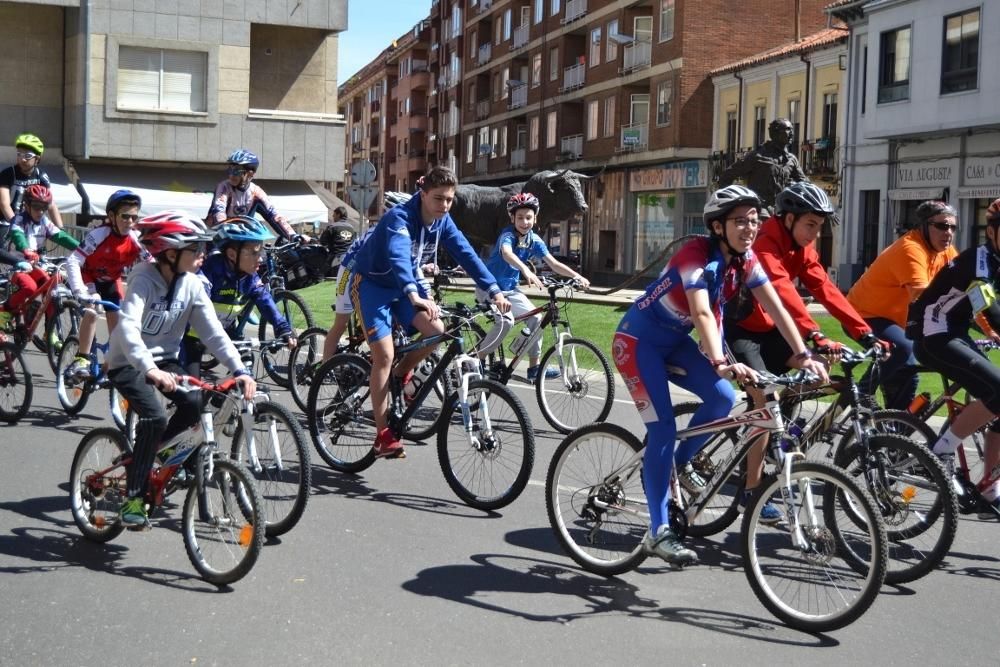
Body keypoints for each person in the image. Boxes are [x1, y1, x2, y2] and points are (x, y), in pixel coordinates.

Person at [612, 184, 829, 564]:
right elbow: (701, 314)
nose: (750, 228)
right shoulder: (693, 257)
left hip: (674, 341)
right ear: (717, 226)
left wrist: (803, 353)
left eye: (754, 221)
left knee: (723, 398)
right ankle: (658, 531)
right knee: (662, 428)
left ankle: (676, 467)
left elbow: (777, 308)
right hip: (637, 342)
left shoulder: (744, 261)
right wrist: (719, 362)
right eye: (740, 221)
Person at [724, 181, 888, 520]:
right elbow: (784, 293)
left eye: (820, 226)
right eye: (810, 224)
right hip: (740, 330)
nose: (815, 233)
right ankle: (752, 490)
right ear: (788, 219)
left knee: (819, 371)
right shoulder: (765, 243)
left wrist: (864, 333)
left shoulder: (803, 247)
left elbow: (825, 288)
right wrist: (814, 334)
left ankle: (775, 430)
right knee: (764, 402)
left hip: (772, 330)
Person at [349, 166, 511, 459]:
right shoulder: (399, 218)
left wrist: (494, 290)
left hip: (402, 288)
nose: (444, 205)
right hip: (372, 284)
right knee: (383, 355)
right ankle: (383, 436)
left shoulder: (442, 221)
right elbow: (399, 257)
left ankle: (400, 375)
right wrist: (415, 295)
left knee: (437, 332)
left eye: (449, 199)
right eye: (438, 199)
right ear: (422, 194)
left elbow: (467, 254)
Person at [107, 211, 255, 528]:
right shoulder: (143, 278)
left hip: (165, 361)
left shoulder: (192, 285)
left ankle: (155, 457)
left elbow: (213, 332)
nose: (203, 256)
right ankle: (133, 497)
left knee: (194, 404)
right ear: (171, 253)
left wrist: (239, 369)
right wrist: (149, 368)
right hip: (128, 363)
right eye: (195, 250)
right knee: (155, 416)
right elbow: (128, 329)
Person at [907, 199, 1000, 518]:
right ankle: (940, 451)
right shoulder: (981, 262)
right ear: (991, 231)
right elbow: (989, 306)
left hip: (956, 331)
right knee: (998, 390)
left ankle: (989, 485)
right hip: (934, 334)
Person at [847, 200, 959, 410]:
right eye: (942, 226)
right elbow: (922, 297)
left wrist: (989, 328)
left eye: (953, 227)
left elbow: (968, 287)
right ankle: (862, 394)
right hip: (862, 314)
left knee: (908, 377)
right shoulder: (910, 249)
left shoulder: (947, 251)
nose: (949, 233)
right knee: (902, 349)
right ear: (924, 226)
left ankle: (894, 434)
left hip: (896, 322)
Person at [477, 192, 591, 381]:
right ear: (512, 218)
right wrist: (525, 270)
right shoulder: (508, 236)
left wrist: (577, 275)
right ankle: (476, 359)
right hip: (489, 288)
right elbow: (506, 254)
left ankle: (534, 368)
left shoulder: (534, 240)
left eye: (528, 217)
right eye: (520, 217)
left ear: (535, 218)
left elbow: (554, 264)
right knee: (506, 321)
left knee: (537, 319)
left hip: (510, 291)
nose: (524, 222)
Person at [182, 216, 296, 376]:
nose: (261, 258)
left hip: (224, 333)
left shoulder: (249, 277)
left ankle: (224, 400)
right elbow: (200, 306)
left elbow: (265, 301)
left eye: (261, 251)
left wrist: (283, 328)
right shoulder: (210, 271)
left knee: (245, 369)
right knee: (191, 398)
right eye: (255, 253)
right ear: (232, 254)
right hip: (192, 338)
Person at [64, 190, 150, 378]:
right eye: (124, 216)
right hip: (88, 277)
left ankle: (113, 361)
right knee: (93, 309)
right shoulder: (100, 234)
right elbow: (73, 260)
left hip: (111, 280)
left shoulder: (135, 239)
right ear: (111, 216)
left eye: (134, 217)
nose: (129, 221)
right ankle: (82, 359)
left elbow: (152, 265)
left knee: (119, 322)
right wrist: (80, 291)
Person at [0, 185, 79, 333]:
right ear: (27, 205)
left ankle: (49, 334)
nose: (40, 211)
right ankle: (3, 312)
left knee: (51, 288)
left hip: (34, 264)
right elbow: (18, 237)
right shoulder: (18, 219)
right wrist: (27, 251)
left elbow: (60, 236)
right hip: (15, 264)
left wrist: (82, 248)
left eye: (44, 207)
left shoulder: (44, 221)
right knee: (29, 287)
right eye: (36, 207)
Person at [208, 149, 310, 243]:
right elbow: (219, 211)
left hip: (242, 240)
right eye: (230, 169)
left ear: (250, 174)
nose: (231, 175)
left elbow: (274, 216)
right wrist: (225, 227)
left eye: (237, 171)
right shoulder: (223, 187)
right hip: (217, 238)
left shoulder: (256, 192)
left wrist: (293, 235)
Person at [718, 118, 807, 211]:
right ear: (775, 133)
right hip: (760, 210)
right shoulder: (757, 156)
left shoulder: (791, 159)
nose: (792, 133)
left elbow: (804, 183)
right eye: (788, 129)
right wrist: (732, 205)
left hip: (781, 211)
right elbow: (727, 176)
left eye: (792, 129)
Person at [0, 133, 64, 227]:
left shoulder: (41, 176)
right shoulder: (7, 174)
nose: (23, 159)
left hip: (28, 225)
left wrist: (61, 229)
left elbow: (51, 204)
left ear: (37, 159)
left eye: (27, 156)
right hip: (6, 222)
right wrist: (16, 226)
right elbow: (4, 204)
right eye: (19, 154)